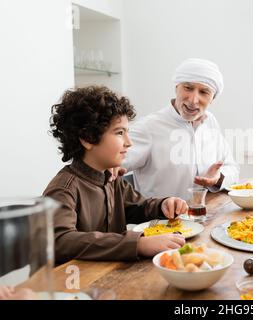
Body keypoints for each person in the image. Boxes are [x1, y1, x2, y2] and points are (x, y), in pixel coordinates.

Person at [44, 86, 186, 264]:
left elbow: (137, 207)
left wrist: (163, 205)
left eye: (127, 132)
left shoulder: (111, 178)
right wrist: (138, 244)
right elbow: (61, 241)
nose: (129, 142)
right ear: (87, 138)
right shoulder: (64, 189)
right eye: (120, 133)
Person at [121, 58, 239, 200]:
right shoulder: (148, 128)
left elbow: (233, 169)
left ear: (212, 98)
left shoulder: (210, 122)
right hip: (161, 220)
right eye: (188, 88)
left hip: (204, 216)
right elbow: (106, 168)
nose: (193, 100)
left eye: (204, 92)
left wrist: (218, 178)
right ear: (176, 87)